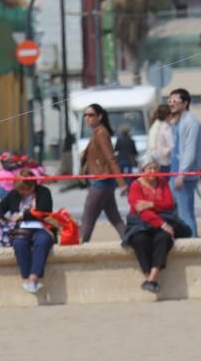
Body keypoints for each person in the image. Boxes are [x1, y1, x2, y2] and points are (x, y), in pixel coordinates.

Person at [123, 154, 185, 294]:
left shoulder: (162, 182)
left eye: (154, 168)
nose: (152, 171)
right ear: (142, 170)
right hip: (141, 223)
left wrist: (151, 204)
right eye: (148, 168)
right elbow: (141, 212)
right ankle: (149, 278)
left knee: (163, 238)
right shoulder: (135, 186)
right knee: (139, 240)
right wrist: (162, 223)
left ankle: (152, 278)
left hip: (160, 221)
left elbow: (169, 204)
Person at [0, 169, 55, 292]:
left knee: (42, 241)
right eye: (19, 190)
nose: (21, 193)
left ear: (32, 187)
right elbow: (0, 207)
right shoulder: (14, 194)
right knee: (19, 243)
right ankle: (27, 276)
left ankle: (34, 277)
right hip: (21, 228)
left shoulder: (44, 192)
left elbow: (44, 211)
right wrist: (1, 218)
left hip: (41, 226)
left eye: (24, 190)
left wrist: (23, 215)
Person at [79, 103, 126, 242]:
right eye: (85, 115)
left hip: (100, 181)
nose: (88, 118)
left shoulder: (100, 133)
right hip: (104, 181)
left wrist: (122, 183)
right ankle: (129, 240)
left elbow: (111, 158)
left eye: (91, 115)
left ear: (99, 116)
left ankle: (79, 249)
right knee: (114, 217)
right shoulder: (98, 132)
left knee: (88, 218)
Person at [168, 88, 201, 237]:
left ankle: (193, 241)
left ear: (185, 103)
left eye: (175, 101)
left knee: (185, 212)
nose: (171, 104)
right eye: (170, 101)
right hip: (175, 172)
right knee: (175, 211)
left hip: (184, 176)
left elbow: (190, 150)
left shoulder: (191, 122)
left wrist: (181, 175)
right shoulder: (179, 121)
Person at [146, 104, 174, 173]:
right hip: (164, 162)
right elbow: (172, 145)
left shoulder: (155, 125)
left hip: (154, 161)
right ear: (169, 115)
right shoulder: (166, 128)